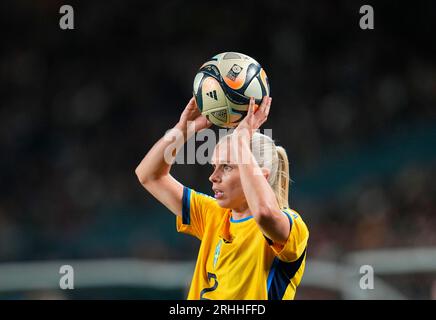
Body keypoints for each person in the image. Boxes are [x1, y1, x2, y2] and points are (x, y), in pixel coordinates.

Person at [135, 96, 309, 300]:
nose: (213, 176)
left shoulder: (293, 228)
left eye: (226, 167)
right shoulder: (213, 215)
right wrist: (182, 130)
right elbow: (149, 175)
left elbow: (263, 213)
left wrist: (241, 140)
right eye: (214, 166)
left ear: (260, 176)